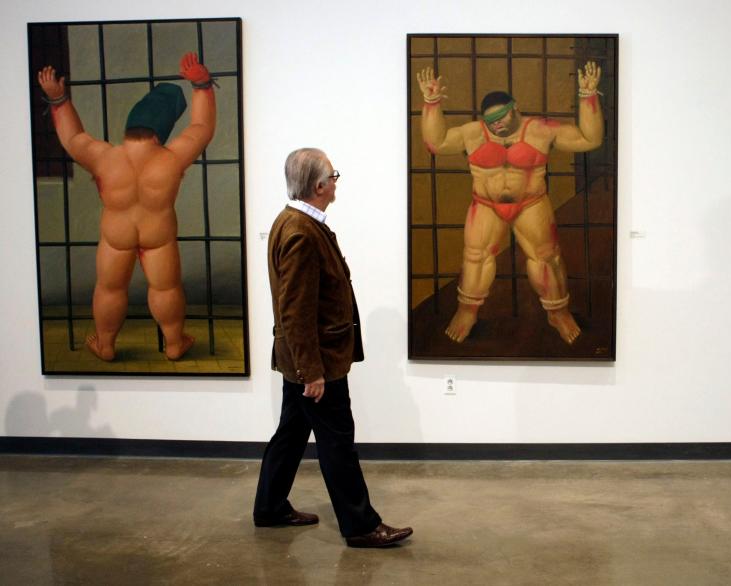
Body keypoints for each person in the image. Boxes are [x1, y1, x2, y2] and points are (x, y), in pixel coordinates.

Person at [253, 148, 412, 548]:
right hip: (317, 362)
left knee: (291, 433)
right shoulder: (301, 233)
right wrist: (313, 372)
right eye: (333, 175)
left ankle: (270, 506)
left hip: (304, 360)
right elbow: (296, 311)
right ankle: (360, 526)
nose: (337, 182)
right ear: (319, 186)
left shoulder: (294, 222)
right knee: (338, 442)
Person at [37, 53, 215, 361]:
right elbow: (202, 126)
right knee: (166, 289)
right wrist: (202, 86)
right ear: (165, 126)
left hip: (116, 235)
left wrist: (59, 99)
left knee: (109, 289)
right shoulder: (171, 157)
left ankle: (105, 344)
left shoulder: (105, 156)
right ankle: (174, 343)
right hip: (157, 234)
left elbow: (72, 137)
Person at [416, 62, 605, 344]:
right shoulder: (473, 133)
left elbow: (589, 139)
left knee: (547, 258)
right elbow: (437, 143)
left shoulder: (540, 130)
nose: (498, 124)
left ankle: (558, 313)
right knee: (476, 258)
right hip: (486, 204)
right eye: (492, 121)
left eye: (503, 116)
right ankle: (467, 312)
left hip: (531, 203)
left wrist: (587, 97)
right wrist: (432, 102)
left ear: (515, 108)